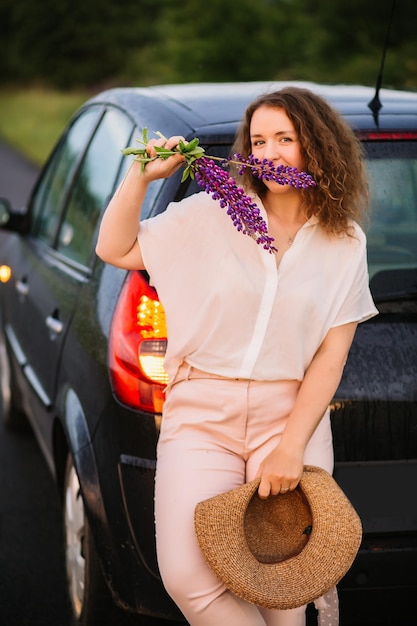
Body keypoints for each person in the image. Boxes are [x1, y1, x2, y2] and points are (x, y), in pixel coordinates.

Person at [96, 86, 378, 626]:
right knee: (187, 577)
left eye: (284, 139)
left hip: (288, 418)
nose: (268, 152)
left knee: (283, 591)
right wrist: (141, 177)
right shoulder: (210, 213)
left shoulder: (346, 242)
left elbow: (330, 355)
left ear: (315, 145)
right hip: (201, 415)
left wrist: (292, 448)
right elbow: (115, 248)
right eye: (258, 140)